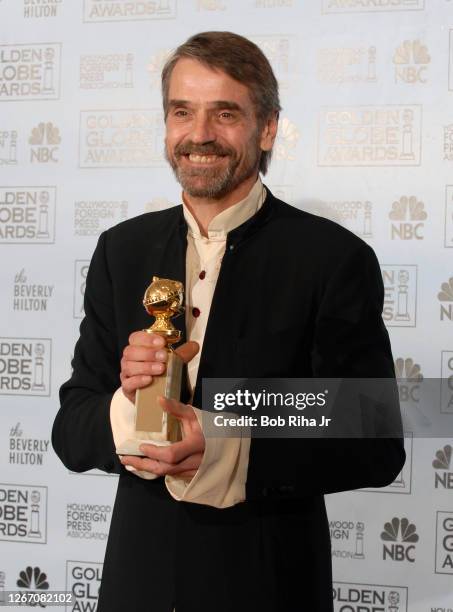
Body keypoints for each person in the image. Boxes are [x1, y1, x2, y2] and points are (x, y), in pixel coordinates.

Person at [52, 31, 405, 612]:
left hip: (269, 583)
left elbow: (372, 435)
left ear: (266, 129)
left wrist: (225, 433)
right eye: (182, 112)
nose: (199, 135)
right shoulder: (121, 250)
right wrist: (129, 402)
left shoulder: (332, 258)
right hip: (136, 581)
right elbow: (71, 430)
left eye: (225, 113)